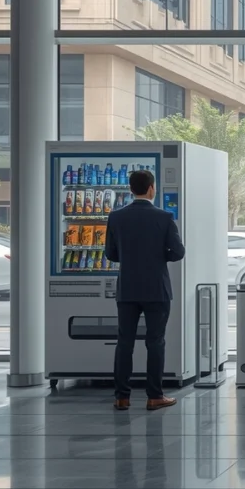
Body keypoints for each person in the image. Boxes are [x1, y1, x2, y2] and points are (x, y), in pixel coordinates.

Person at [104, 169, 185, 411]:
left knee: (124, 342)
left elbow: (111, 253)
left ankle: (122, 397)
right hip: (156, 289)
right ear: (151, 188)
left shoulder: (116, 217)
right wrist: (158, 256)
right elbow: (178, 252)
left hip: (127, 288)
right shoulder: (164, 216)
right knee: (155, 342)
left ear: (131, 189)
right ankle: (154, 396)